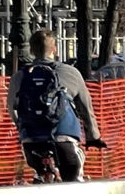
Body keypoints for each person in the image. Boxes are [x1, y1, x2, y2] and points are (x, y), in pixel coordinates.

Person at [13, 30, 104, 184]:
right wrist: (93, 136)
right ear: (54, 49)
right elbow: (86, 109)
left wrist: (23, 130)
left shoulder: (20, 76)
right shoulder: (71, 72)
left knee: (38, 173)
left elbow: (12, 108)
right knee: (72, 180)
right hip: (64, 137)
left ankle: (41, 176)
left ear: (32, 50)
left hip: (30, 139)